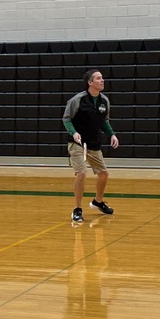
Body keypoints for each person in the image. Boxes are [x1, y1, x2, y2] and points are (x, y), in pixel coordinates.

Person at [63, 68, 119, 223]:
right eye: (98, 78)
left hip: (93, 143)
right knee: (81, 173)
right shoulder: (77, 100)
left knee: (103, 174)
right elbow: (66, 119)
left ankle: (97, 202)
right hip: (78, 143)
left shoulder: (104, 101)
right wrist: (74, 132)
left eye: (102, 78)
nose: (102, 80)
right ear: (90, 82)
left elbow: (104, 121)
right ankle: (77, 209)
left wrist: (112, 134)